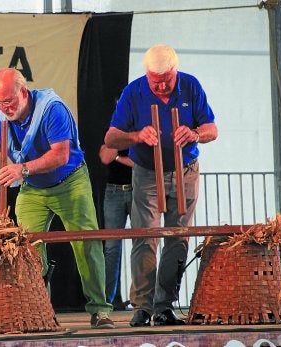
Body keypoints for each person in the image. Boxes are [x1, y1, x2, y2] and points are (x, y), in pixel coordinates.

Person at [0, 67, 114, 329]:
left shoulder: (52, 108)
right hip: (33, 188)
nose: (4, 108)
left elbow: (61, 155)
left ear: (23, 92)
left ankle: (100, 310)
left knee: (86, 243)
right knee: (26, 249)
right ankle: (39, 312)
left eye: (8, 101)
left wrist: (22, 169)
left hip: (69, 181)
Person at [104, 44, 218, 327]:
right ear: (146, 74)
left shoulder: (190, 86)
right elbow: (111, 139)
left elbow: (211, 129)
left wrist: (194, 134)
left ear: (175, 70)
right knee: (145, 236)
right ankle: (142, 307)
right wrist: (137, 136)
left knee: (178, 237)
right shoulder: (134, 91)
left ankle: (164, 306)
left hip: (186, 170)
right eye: (156, 82)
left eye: (167, 80)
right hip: (146, 172)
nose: (162, 86)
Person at [99, 142, 134, 309]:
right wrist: (121, 155)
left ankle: (140, 298)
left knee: (142, 244)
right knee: (111, 246)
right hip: (113, 191)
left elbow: (140, 163)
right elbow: (105, 157)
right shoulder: (113, 132)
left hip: (138, 190)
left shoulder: (142, 130)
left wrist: (118, 157)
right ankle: (107, 299)